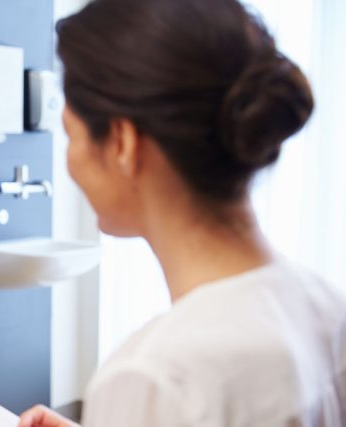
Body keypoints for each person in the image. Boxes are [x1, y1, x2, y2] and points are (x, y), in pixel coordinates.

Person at [19, 0, 346, 426]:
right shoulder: (323, 305)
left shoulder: (154, 376)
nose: (70, 163)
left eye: (70, 135)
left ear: (122, 142)